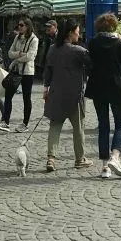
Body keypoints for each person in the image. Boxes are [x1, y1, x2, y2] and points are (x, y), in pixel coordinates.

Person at [85, 13, 121, 178]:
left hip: (98, 87)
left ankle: (105, 166)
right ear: (113, 27)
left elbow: (88, 62)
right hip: (117, 87)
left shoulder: (93, 43)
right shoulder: (118, 43)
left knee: (103, 125)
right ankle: (115, 156)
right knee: (120, 125)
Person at [43, 19, 92, 172]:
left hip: (56, 93)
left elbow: (48, 70)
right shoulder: (79, 51)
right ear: (71, 32)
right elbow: (92, 67)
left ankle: (51, 158)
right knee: (78, 128)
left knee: (55, 126)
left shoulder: (52, 49)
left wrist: (46, 88)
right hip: (74, 95)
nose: (80, 33)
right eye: (78, 30)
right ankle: (80, 159)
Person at [0, 19, 39, 133]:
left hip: (27, 72)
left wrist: (16, 60)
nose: (19, 27)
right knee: (8, 95)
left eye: (21, 25)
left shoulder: (34, 39)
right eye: (18, 25)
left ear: (28, 26)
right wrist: (19, 54)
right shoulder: (17, 37)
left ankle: (25, 123)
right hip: (16, 71)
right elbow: (10, 53)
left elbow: (30, 56)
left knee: (26, 98)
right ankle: (5, 122)